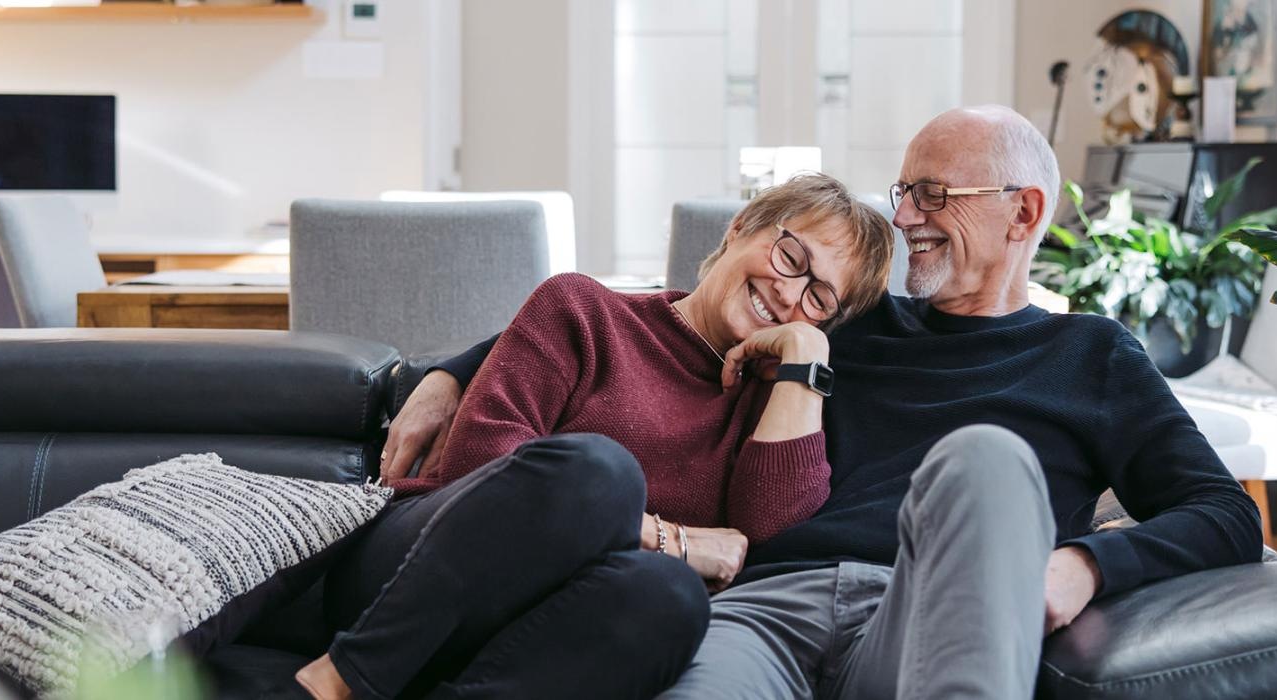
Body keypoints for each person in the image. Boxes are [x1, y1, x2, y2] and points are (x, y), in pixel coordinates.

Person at [388, 105, 1263, 698]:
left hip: (924, 608)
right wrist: (449, 369)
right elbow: (656, 320)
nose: (908, 215)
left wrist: (1086, 565)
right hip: (760, 607)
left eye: (936, 196)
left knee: (988, 457)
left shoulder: (1093, 356)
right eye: (905, 191)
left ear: (1023, 212)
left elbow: (1223, 512)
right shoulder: (841, 316)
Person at [294, 173, 896, 699]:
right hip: (421, 569)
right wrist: (674, 540)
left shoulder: (775, 406)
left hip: (551, 625)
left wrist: (804, 355)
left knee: (669, 600)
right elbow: (481, 468)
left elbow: (763, 542)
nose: (790, 293)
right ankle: (344, 678)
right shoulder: (583, 309)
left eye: (819, 298)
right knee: (596, 472)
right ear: (741, 228)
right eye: (791, 256)